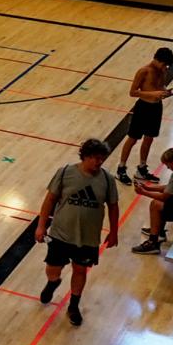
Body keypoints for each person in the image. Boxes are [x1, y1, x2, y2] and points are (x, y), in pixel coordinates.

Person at [35, 138, 120, 327]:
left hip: (88, 238)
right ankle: (53, 282)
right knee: (53, 269)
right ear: (85, 156)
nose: (99, 162)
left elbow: (113, 206)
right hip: (60, 234)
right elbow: (49, 200)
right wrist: (41, 226)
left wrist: (114, 231)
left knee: (80, 270)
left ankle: (73, 305)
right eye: (96, 158)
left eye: (102, 159)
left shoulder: (107, 179)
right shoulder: (65, 173)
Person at [117, 47, 173, 186]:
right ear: (157, 59)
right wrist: (153, 94)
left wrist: (164, 92)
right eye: (163, 64)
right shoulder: (144, 71)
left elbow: (160, 86)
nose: (165, 67)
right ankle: (121, 168)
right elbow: (132, 92)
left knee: (149, 138)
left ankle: (142, 168)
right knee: (133, 138)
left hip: (156, 107)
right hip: (143, 107)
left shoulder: (163, 70)